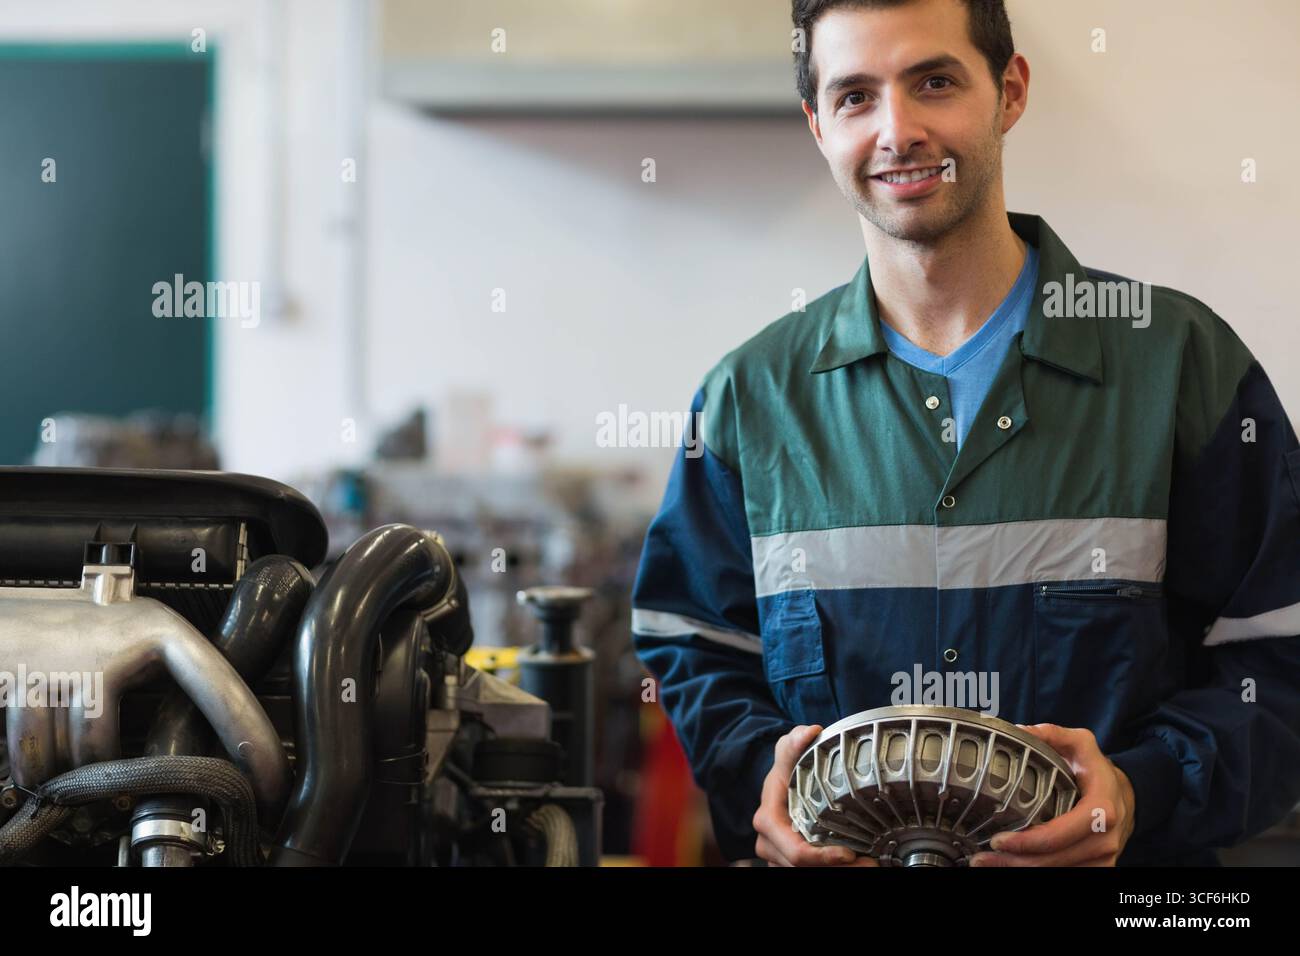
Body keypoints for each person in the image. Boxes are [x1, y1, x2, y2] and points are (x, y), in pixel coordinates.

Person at [631, 0, 1300, 867]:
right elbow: (695, 651)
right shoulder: (748, 402)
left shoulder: (1180, 367)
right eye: (855, 97)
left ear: (1009, 91)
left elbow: (1280, 655)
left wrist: (1142, 789)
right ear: (819, 125)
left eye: (935, 82)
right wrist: (770, 776)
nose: (897, 131)